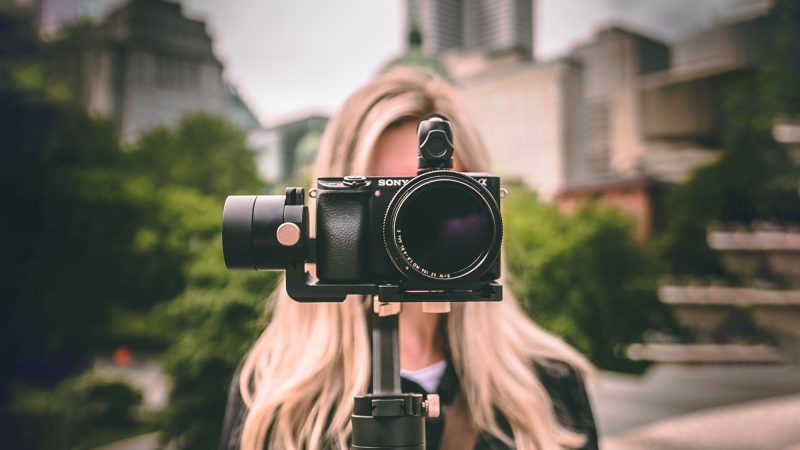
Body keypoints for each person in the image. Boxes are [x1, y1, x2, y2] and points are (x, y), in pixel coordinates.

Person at [220, 67, 598, 450]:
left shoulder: (550, 384)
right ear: (331, 212)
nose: (417, 228)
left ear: (485, 208)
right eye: (387, 198)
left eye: (435, 197)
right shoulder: (272, 394)